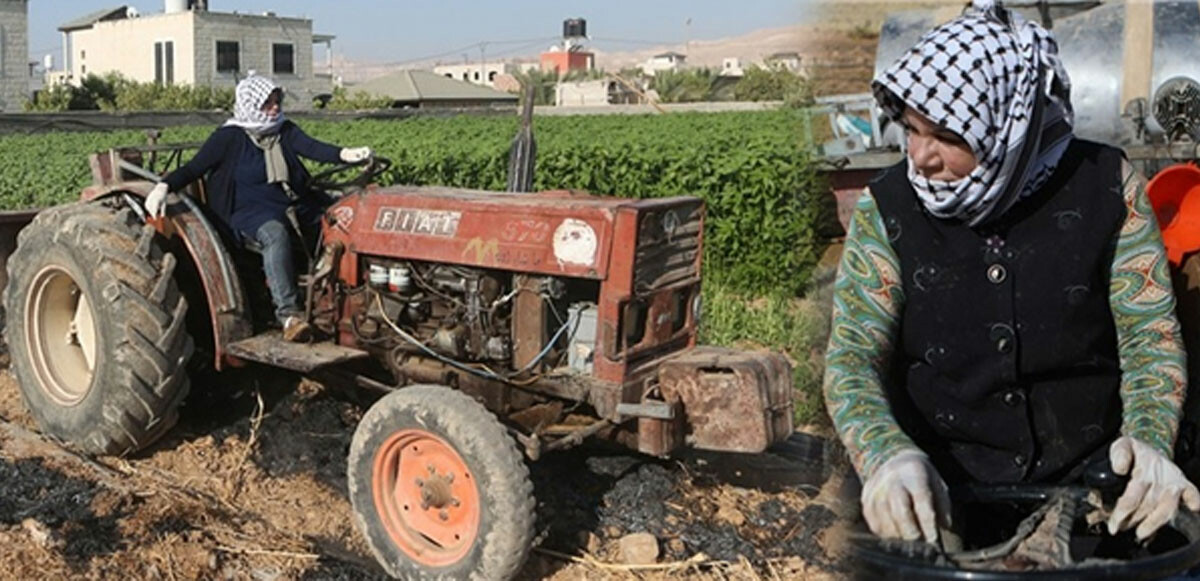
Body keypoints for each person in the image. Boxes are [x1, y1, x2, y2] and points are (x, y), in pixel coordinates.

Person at [823, 0, 1200, 547]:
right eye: (910, 128)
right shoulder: (886, 211)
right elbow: (854, 357)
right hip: (941, 492)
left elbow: (1149, 336)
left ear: (1010, 130)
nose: (920, 157)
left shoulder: (1107, 186)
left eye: (948, 138)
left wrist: (1148, 441)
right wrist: (885, 453)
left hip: (1090, 488)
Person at [145, 74, 372, 342]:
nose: (275, 108)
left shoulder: (283, 130)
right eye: (268, 103)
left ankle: (347, 292)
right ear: (251, 104)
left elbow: (312, 148)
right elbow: (195, 167)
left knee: (342, 217)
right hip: (246, 211)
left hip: (290, 203)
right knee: (274, 233)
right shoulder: (229, 137)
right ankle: (288, 314)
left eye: (277, 101)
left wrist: (344, 154)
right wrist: (164, 186)